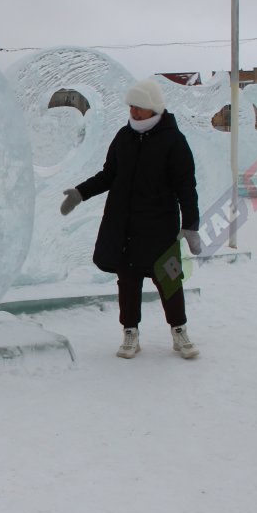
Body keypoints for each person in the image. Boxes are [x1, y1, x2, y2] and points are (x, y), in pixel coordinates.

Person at [59, 78, 202, 359]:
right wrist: (80, 193)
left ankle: (179, 330)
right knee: (128, 281)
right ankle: (130, 332)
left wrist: (191, 226)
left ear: (154, 108)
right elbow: (109, 175)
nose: (134, 113)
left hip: (162, 228)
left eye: (140, 108)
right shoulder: (124, 137)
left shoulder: (174, 141)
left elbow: (187, 186)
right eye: (132, 107)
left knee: (170, 280)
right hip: (125, 226)